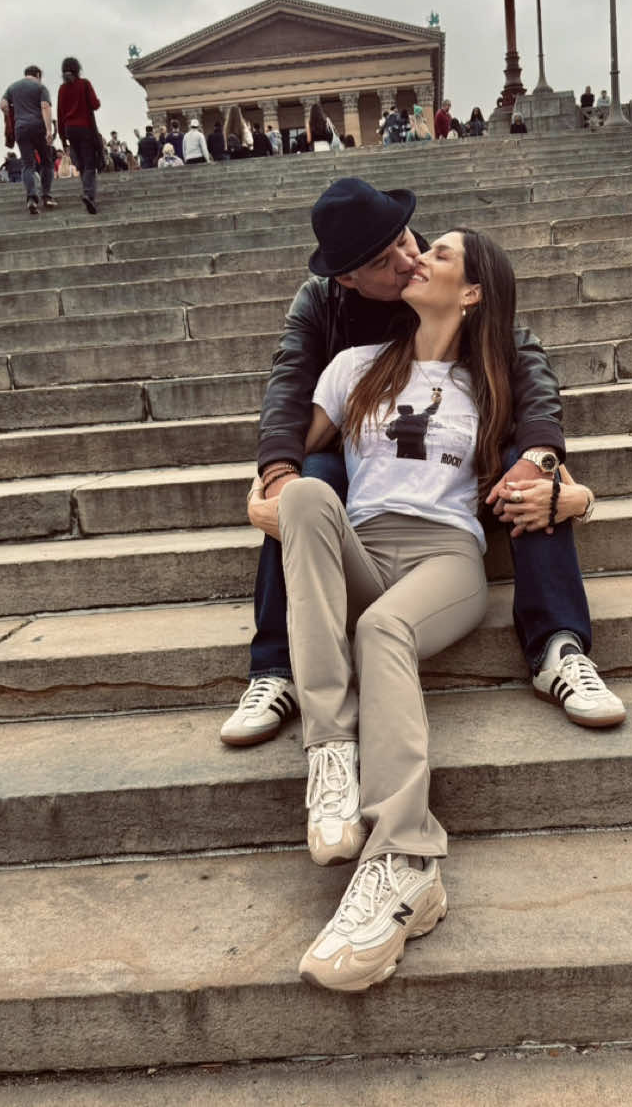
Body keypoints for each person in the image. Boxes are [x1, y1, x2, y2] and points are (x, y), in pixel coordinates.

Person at [246, 218, 602, 993]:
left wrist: (576, 497)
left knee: (381, 630)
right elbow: (289, 452)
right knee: (307, 493)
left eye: (437, 254)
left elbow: (548, 481)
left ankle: (407, 860)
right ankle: (331, 756)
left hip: (444, 558)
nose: (416, 259)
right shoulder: (354, 366)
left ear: (471, 292)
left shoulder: (494, 382)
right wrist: (264, 484)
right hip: (365, 548)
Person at [220, 175, 624, 749]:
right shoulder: (322, 304)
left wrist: (547, 458)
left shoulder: (442, 273)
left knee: (527, 468)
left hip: (458, 473)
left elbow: (523, 359)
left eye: (410, 239)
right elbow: (289, 385)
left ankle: (558, 645)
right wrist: (273, 474)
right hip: (365, 460)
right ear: (348, 278)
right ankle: (276, 667)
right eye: (388, 262)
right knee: (308, 481)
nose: (410, 260)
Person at [0, 65, 56, 215]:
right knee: (46, 162)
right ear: (37, 74)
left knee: (27, 165)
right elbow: (45, 107)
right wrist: (49, 130)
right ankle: (47, 196)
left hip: (21, 129)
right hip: (38, 127)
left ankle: (31, 198)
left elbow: (3, 105)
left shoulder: (12, 87)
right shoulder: (40, 87)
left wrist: (13, 112)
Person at [56, 57, 101, 214]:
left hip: (70, 130)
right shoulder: (84, 84)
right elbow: (95, 104)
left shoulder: (62, 89)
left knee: (81, 164)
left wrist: (62, 139)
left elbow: (60, 114)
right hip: (85, 128)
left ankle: (88, 194)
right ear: (78, 69)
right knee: (89, 164)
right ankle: (88, 194)